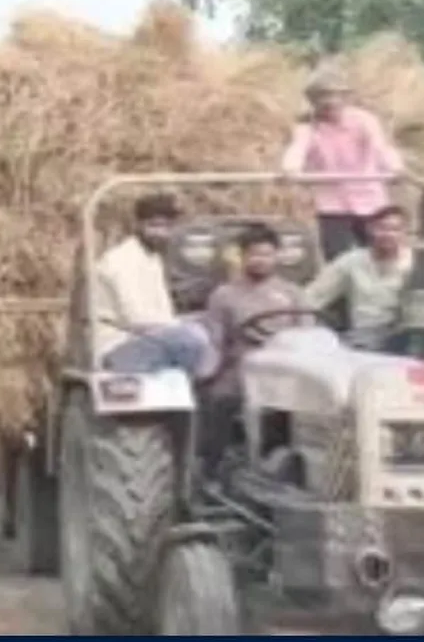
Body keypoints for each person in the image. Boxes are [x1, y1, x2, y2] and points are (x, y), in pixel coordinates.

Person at [197, 222, 309, 480]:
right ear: (243, 256)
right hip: (241, 364)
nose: (261, 260)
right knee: (221, 400)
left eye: (267, 254)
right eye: (254, 254)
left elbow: (306, 334)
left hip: (286, 366)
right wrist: (210, 371)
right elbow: (215, 338)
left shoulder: (292, 293)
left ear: (277, 256)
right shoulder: (224, 295)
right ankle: (212, 468)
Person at [281, 61, 406, 262]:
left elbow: (381, 147)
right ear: (312, 101)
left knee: (380, 255)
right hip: (333, 204)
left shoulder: (364, 120)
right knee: (337, 258)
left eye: (335, 95)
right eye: (322, 96)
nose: (330, 102)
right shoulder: (307, 127)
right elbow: (297, 149)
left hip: (370, 199)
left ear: (345, 98)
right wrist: (290, 169)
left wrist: (395, 167)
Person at [95, 193, 209, 378]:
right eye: (153, 226)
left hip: (148, 338)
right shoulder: (121, 261)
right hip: (119, 344)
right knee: (192, 337)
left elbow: (162, 311)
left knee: (205, 325)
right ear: (138, 225)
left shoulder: (152, 258)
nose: (160, 233)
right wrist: (178, 328)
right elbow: (137, 318)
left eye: (166, 227)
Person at [304, 204, 415, 352]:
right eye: (382, 228)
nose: (388, 234)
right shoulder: (351, 261)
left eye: (395, 229)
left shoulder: (417, 263)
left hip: (404, 336)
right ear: (370, 229)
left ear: (405, 233)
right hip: (364, 337)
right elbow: (315, 295)